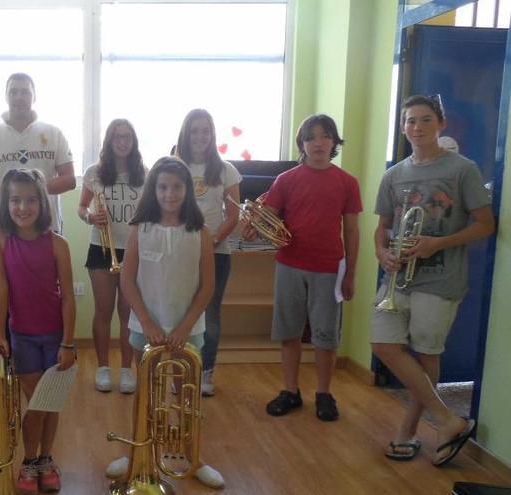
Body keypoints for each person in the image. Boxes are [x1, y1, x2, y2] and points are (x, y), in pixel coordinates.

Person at [371, 95, 493, 466]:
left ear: (440, 124)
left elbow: (485, 225)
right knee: (382, 343)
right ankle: (447, 419)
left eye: (425, 120)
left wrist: (438, 243)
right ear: (404, 127)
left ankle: (409, 430)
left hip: (440, 280)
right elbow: (383, 229)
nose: (417, 127)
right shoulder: (394, 174)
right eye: (410, 121)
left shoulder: (462, 169)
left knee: (426, 354)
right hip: (398, 279)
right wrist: (381, 253)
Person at [109, 157, 223, 488]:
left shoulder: (199, 233)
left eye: (176, 187)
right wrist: (147, 323)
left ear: (187, 190)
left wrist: (186, 326)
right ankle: (136, 453)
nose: (169, 194)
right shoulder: (139, 229)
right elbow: (128, 281)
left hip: (189, 330)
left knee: (185, 397)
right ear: (152, 190)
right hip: (146, 328)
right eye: (162, 187)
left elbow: (208, 286)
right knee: (144, 394)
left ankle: (194, 456)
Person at [248, 114, 361, 422]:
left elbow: (351, 231)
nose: (318, 143)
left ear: (334, 142)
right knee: (289, 332)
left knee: (326, 335)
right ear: (302, 144)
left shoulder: (347, 182)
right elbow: (266, 218)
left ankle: (324, 393)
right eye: (310, 137)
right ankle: (291, 391)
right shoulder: (286, 180)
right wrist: (253, 225)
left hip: (328, 268)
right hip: (289, 265)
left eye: (325, 136)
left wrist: (350, 273)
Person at [0, 169, 76, 495]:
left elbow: (67, 296)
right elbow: (0, 286)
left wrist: (68, 342)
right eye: (14, 200)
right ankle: (29, 460)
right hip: (21, 335)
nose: (22, 207)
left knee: (50, 404)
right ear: (5, 203)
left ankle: (45, 460)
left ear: (42, 203)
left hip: (54, 336)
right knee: (37, 403)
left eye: (30, 200)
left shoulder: (58, 244)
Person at [0, 72, 75, 341]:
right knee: (3, 292)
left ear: (34, 95)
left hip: (46, 227)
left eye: (25, 91)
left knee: (48, 296)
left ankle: (55, 352)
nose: (19, 97)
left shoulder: (53, 133)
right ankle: (2, 352)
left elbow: (69, 179)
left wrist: (33, 193)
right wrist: (14, 193)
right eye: (13, 91)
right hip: (3, 230)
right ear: (6, 96)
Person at [174, 109, 242, 396]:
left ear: (213, 134)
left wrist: (211, 241)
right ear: (185, 134)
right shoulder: (174, 167)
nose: (200, 136)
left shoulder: (226, 170)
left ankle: (205, 372)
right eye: (194, 131)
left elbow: (233, 216)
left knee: (209, 316)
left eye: (206, 130)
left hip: (216, 253)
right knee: (179, 314)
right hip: (178, 253)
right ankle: (179, 372)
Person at [77, 119, 146, 394]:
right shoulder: (94, 172)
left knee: (128, 314)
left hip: (133, 250)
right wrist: (90, 217)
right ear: (109, 140)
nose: (122, 141)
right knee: (103, 311)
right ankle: (104, 367)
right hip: (102, 249)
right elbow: (81, 207)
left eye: (127, 137)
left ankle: (127, 369)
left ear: (134, 141)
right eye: (117, 137)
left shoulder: (144, 173)